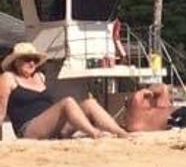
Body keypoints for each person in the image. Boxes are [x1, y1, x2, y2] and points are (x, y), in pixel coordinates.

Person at [0, 42, 129, 139]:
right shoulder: (8, 78)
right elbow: (1, 109)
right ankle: (95, 133)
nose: (32, 63)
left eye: (35, 60)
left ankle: (121, 132)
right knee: (67, 102)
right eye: (27, 59)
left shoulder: (40, 77)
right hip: (29, 129)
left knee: (90, 103)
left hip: (53, 127)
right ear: (15, 62)